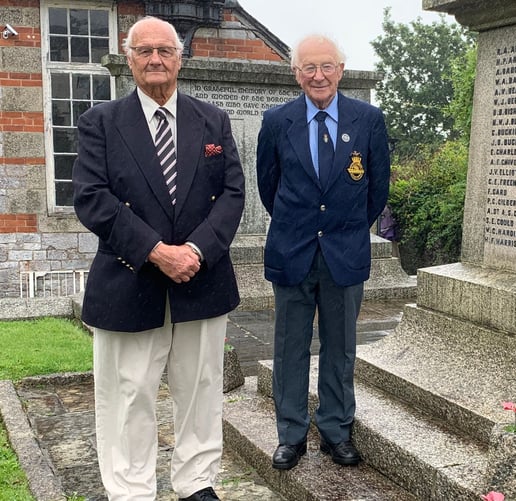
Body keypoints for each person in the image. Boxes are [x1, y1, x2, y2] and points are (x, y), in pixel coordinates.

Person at [72, 16, 245, 501]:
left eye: (164, 51)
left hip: (201, 279)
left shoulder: (213, 121)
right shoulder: (100, 124)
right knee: (129, 396)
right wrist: (155, 251)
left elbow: (233, 194)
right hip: (129, 282)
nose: (155, 60)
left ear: (179, 59)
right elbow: (92, 198)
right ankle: (131, 490)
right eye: (144, 51)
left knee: (202, 390)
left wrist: (194, 251)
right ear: (129, 59)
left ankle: (196, 483)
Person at [256, 34, 390, 470]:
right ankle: (291, 435)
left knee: (340, 348)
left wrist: (343, 229)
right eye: (308, 68)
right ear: (296, 73)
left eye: (326, 66)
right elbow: (268, 187)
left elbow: (376, 190)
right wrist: (302, 225)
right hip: (292, 251)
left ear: (340, 70)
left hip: (343, 253)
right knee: (289, 347)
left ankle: (336, 430)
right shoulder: (277, 121)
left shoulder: (368, 119)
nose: (318, 75)